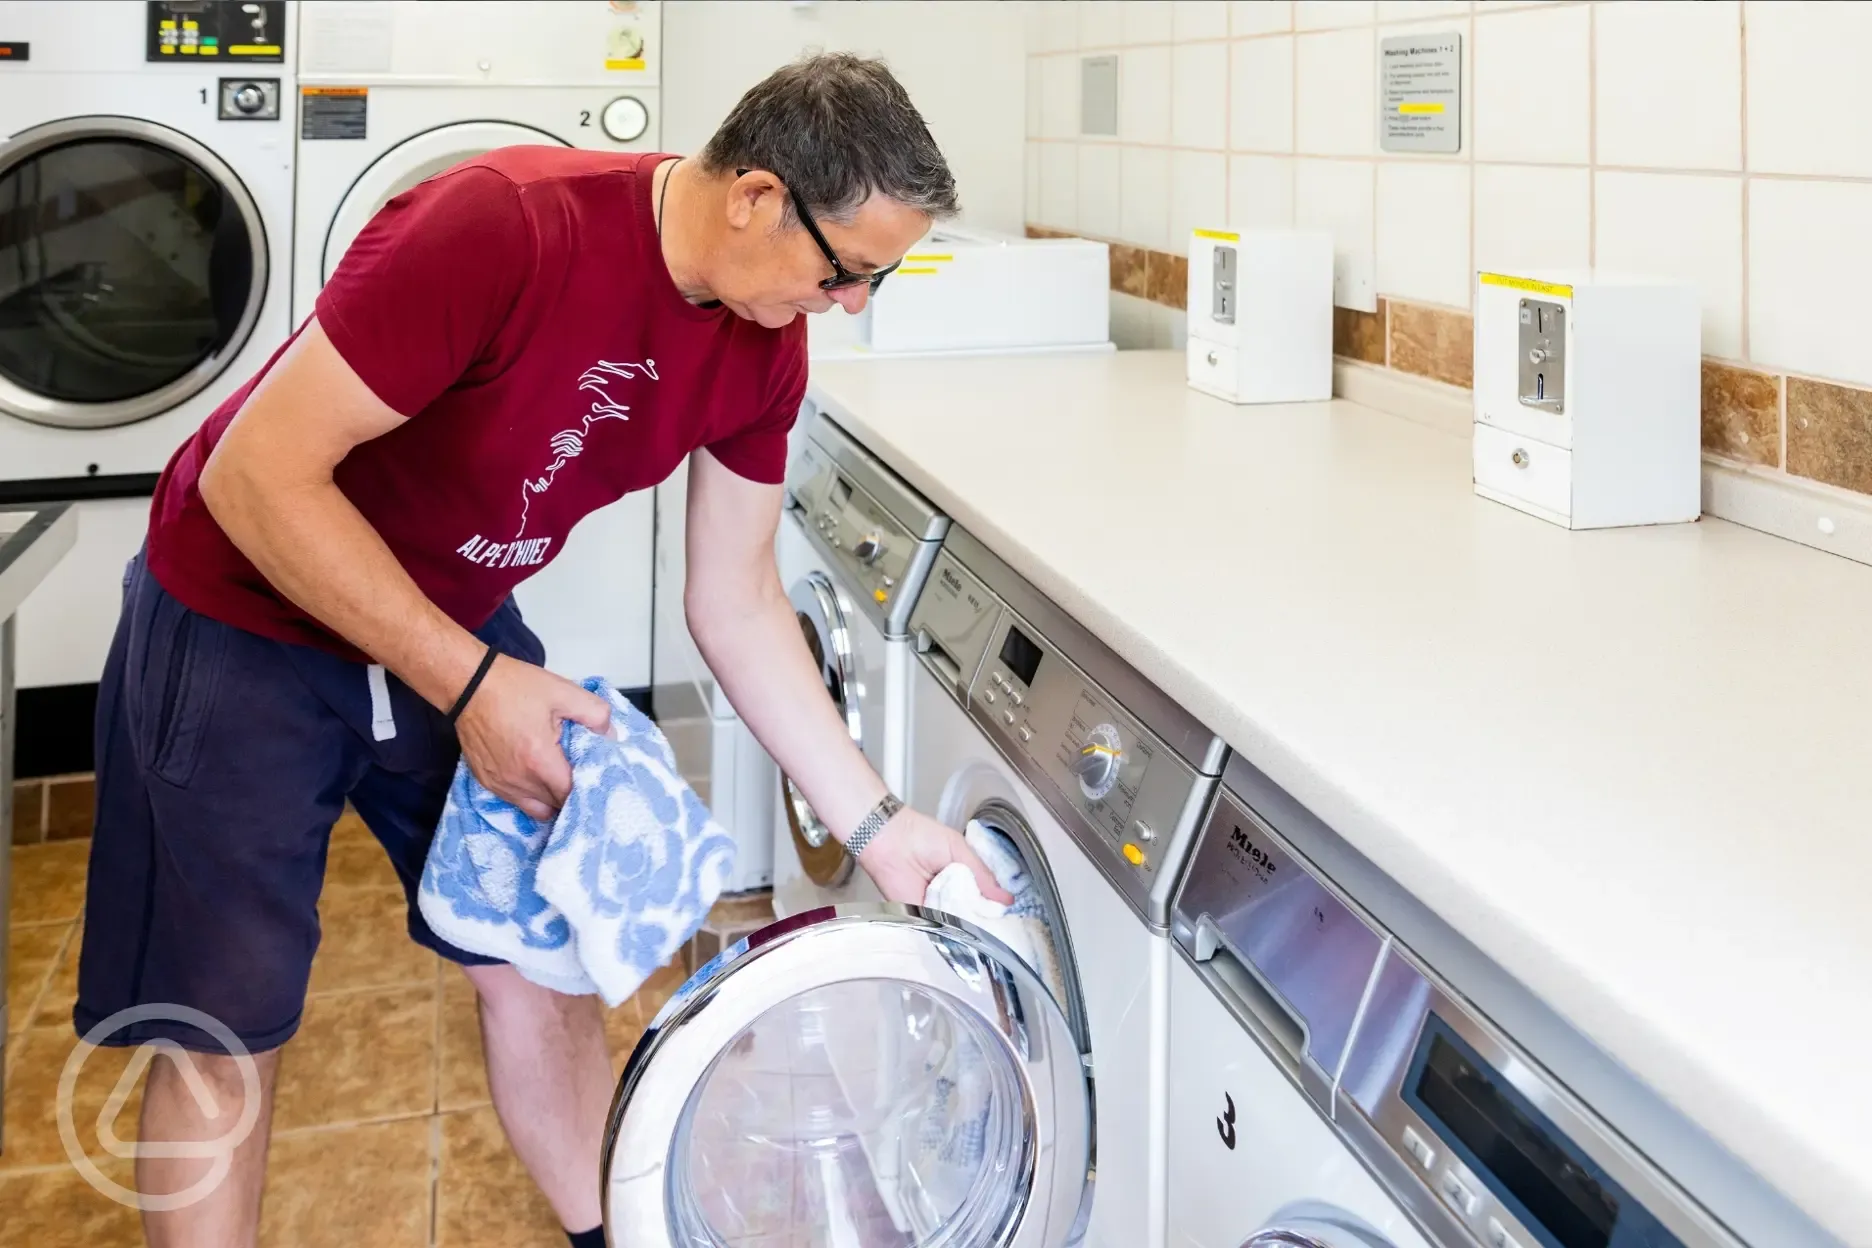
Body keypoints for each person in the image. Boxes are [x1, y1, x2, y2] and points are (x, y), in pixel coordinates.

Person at [75, 53, 1010, 1248]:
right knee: (224, 1027)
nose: (852, 307)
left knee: (541, 956)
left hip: (454, 615)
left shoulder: (764, 342)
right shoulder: (501, 227)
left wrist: (882, 829)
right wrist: (468, 685)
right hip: (244, 613)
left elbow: (735, 600)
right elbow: (253, 476)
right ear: (758, 198)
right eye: (848, 273)